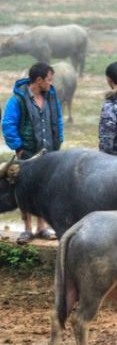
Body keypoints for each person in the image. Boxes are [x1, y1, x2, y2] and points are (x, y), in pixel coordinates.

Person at [2, 63, 63, 244]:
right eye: (49, 80)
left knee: (44, 189)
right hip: (27, 151)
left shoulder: (51, 97)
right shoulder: (18, 99)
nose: (50, 83)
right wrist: (18, 146)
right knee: (24, 189)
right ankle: (27, 229)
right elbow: (8, 124)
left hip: (48, 151)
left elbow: (58, 119)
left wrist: (58, 139)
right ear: (39, 80)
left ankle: (41, 227)